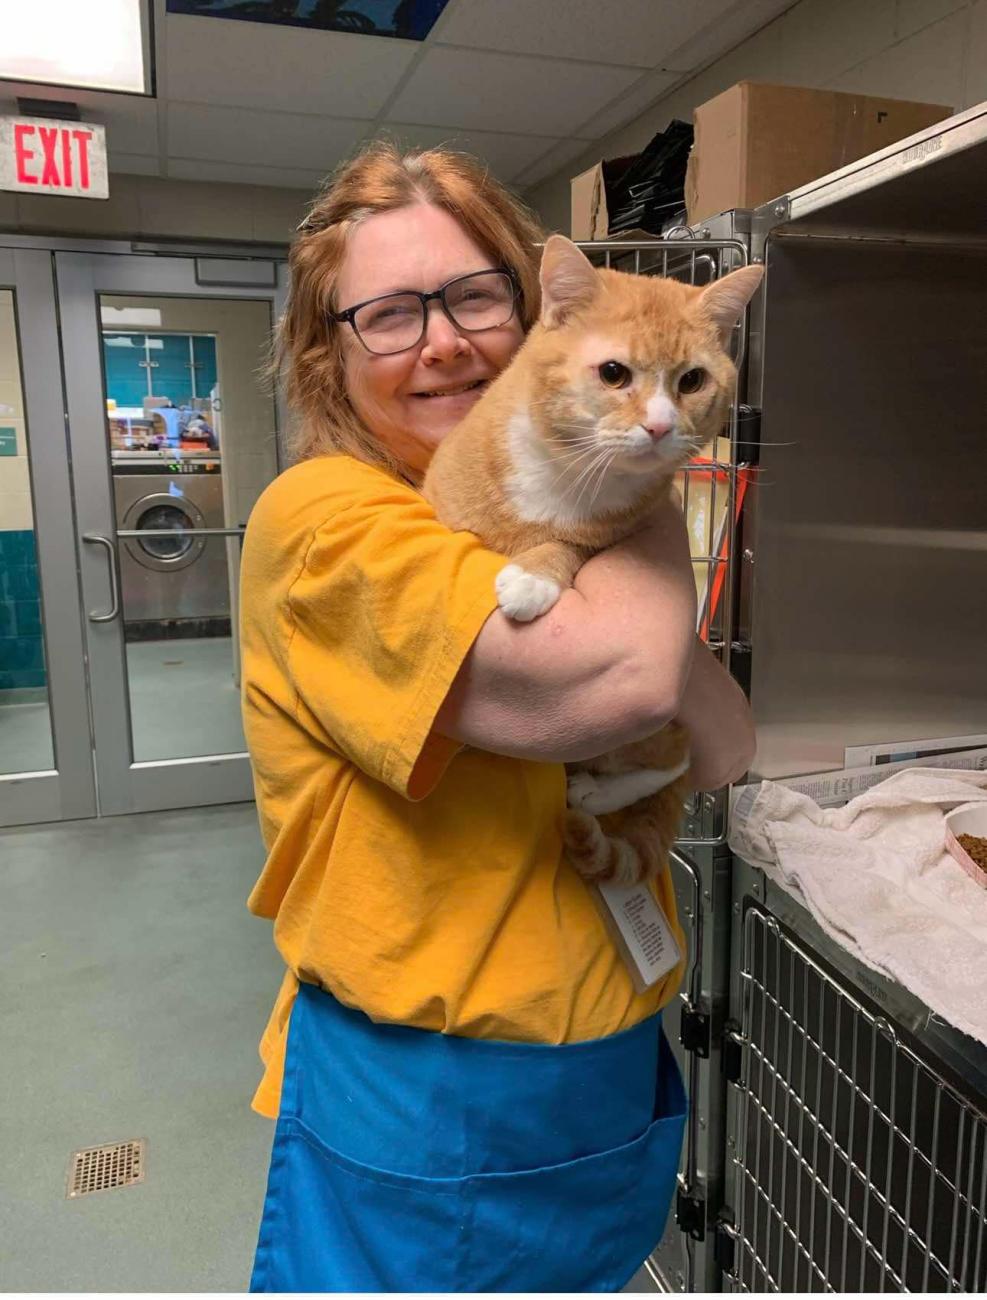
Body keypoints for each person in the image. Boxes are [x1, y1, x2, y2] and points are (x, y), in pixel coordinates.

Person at [240, 142, 756, 1293]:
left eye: (475, 295)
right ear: (329, 350)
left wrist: (611, 492)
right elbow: (623, 686)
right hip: (437, 1083)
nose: (444, 341)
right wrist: (635, 501)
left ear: (537, 317)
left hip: (610, 1047)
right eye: (385, 314)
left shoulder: (589, 472)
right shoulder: (327, 519)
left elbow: (725, 747)